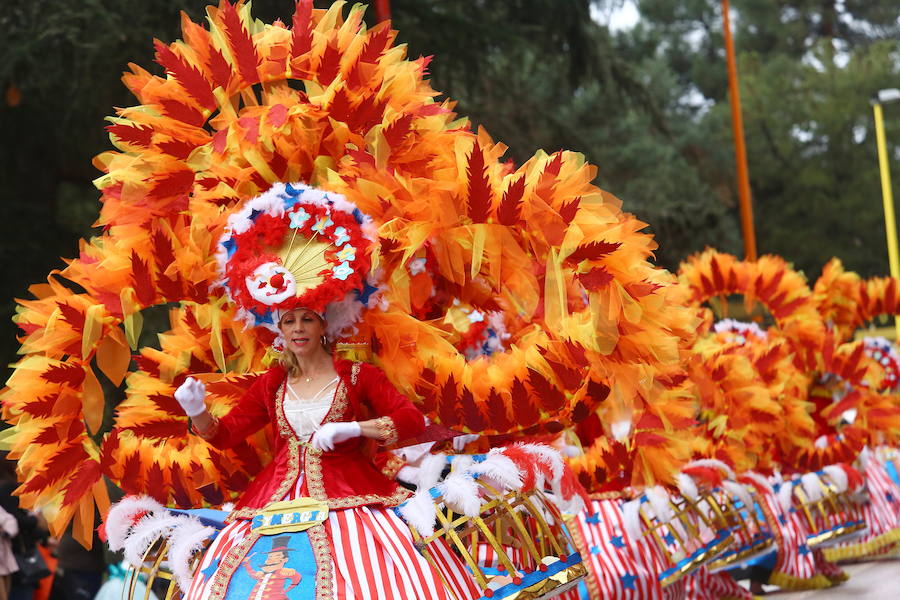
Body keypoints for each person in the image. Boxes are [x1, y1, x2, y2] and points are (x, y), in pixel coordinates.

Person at [172, 183, 480, 600]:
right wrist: (197, 412)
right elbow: (224, 435)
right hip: (272, 503)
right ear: (278, 330)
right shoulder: (271, 383)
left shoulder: (357, 376)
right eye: (289, 321)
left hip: (353, 502)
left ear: (323, 325)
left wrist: (356, 430)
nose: (298, 329)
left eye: (306, 319)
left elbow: (408, 419)